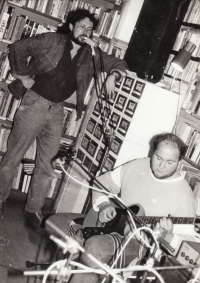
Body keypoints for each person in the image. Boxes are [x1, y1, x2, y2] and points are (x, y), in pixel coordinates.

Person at [0, 9, 128, 220]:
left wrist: (112, 75)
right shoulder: (52, 40)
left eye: (89, 29)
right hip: (35, 103)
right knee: (13, 157)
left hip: (57, 109)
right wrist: (22, 78)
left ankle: (33, 210)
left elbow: (120, 64)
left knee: (47, 165)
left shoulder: (90, 55)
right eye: (81, 26)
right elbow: (18, 48)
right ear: (71, 26)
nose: (85, 31)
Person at [47, 133, 198, 283]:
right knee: (55, 224)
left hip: (139, 245)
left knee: (95, 247)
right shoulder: (138, 165)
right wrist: (104, 205)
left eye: (170, 162)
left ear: (179, 161)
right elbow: (102, 182)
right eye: (158, 158)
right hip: (112, 225)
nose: (161, 166)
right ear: (153, 152)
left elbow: (189, 245)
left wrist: (169, 236)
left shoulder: (183, 195)